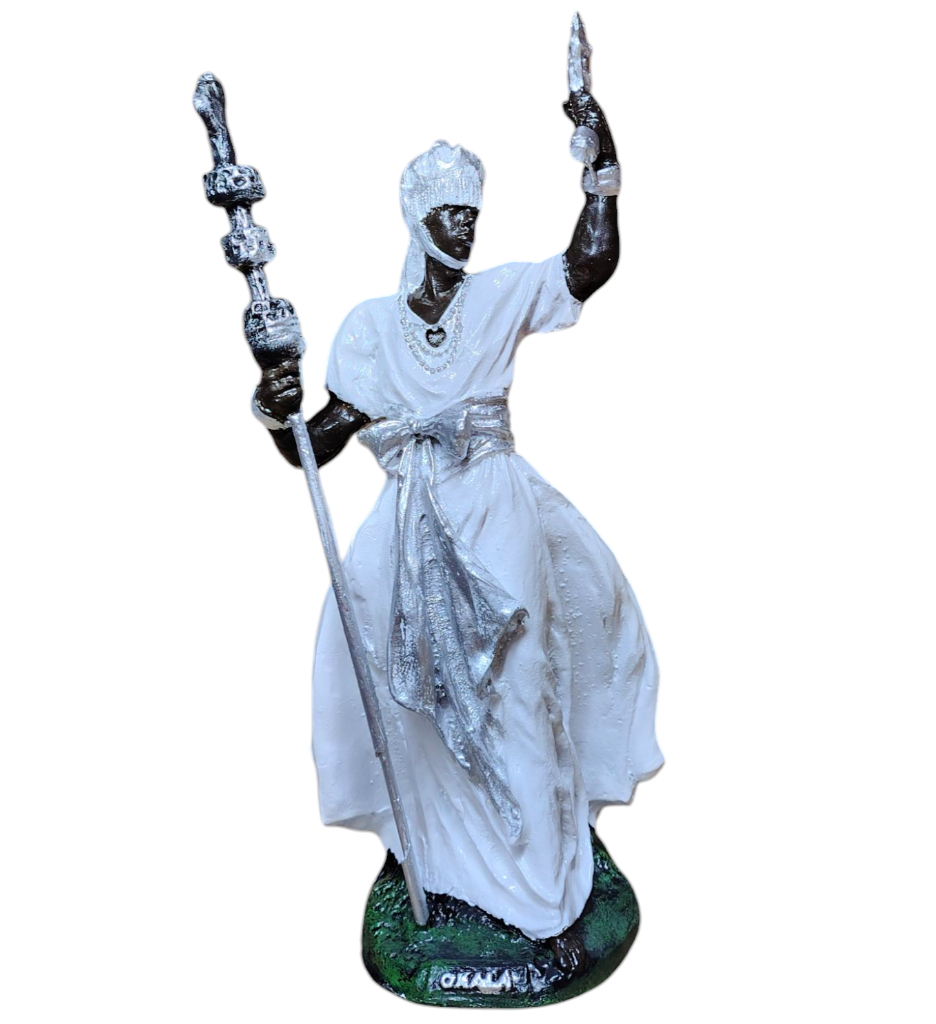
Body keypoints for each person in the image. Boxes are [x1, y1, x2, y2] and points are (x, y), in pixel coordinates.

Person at [252, 87, 662, 968]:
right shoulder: (371, 330)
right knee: (400, 672)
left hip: (493, 505)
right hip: (413, 519)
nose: (467, 228)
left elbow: (586, 265)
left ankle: (541, 874)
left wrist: (601, 166)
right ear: (418, 220)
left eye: (473, 214)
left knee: (517, 677)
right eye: (451, 214)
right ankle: (441, 858)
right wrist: (273, 404)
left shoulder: (501, 296)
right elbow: (315, 443)